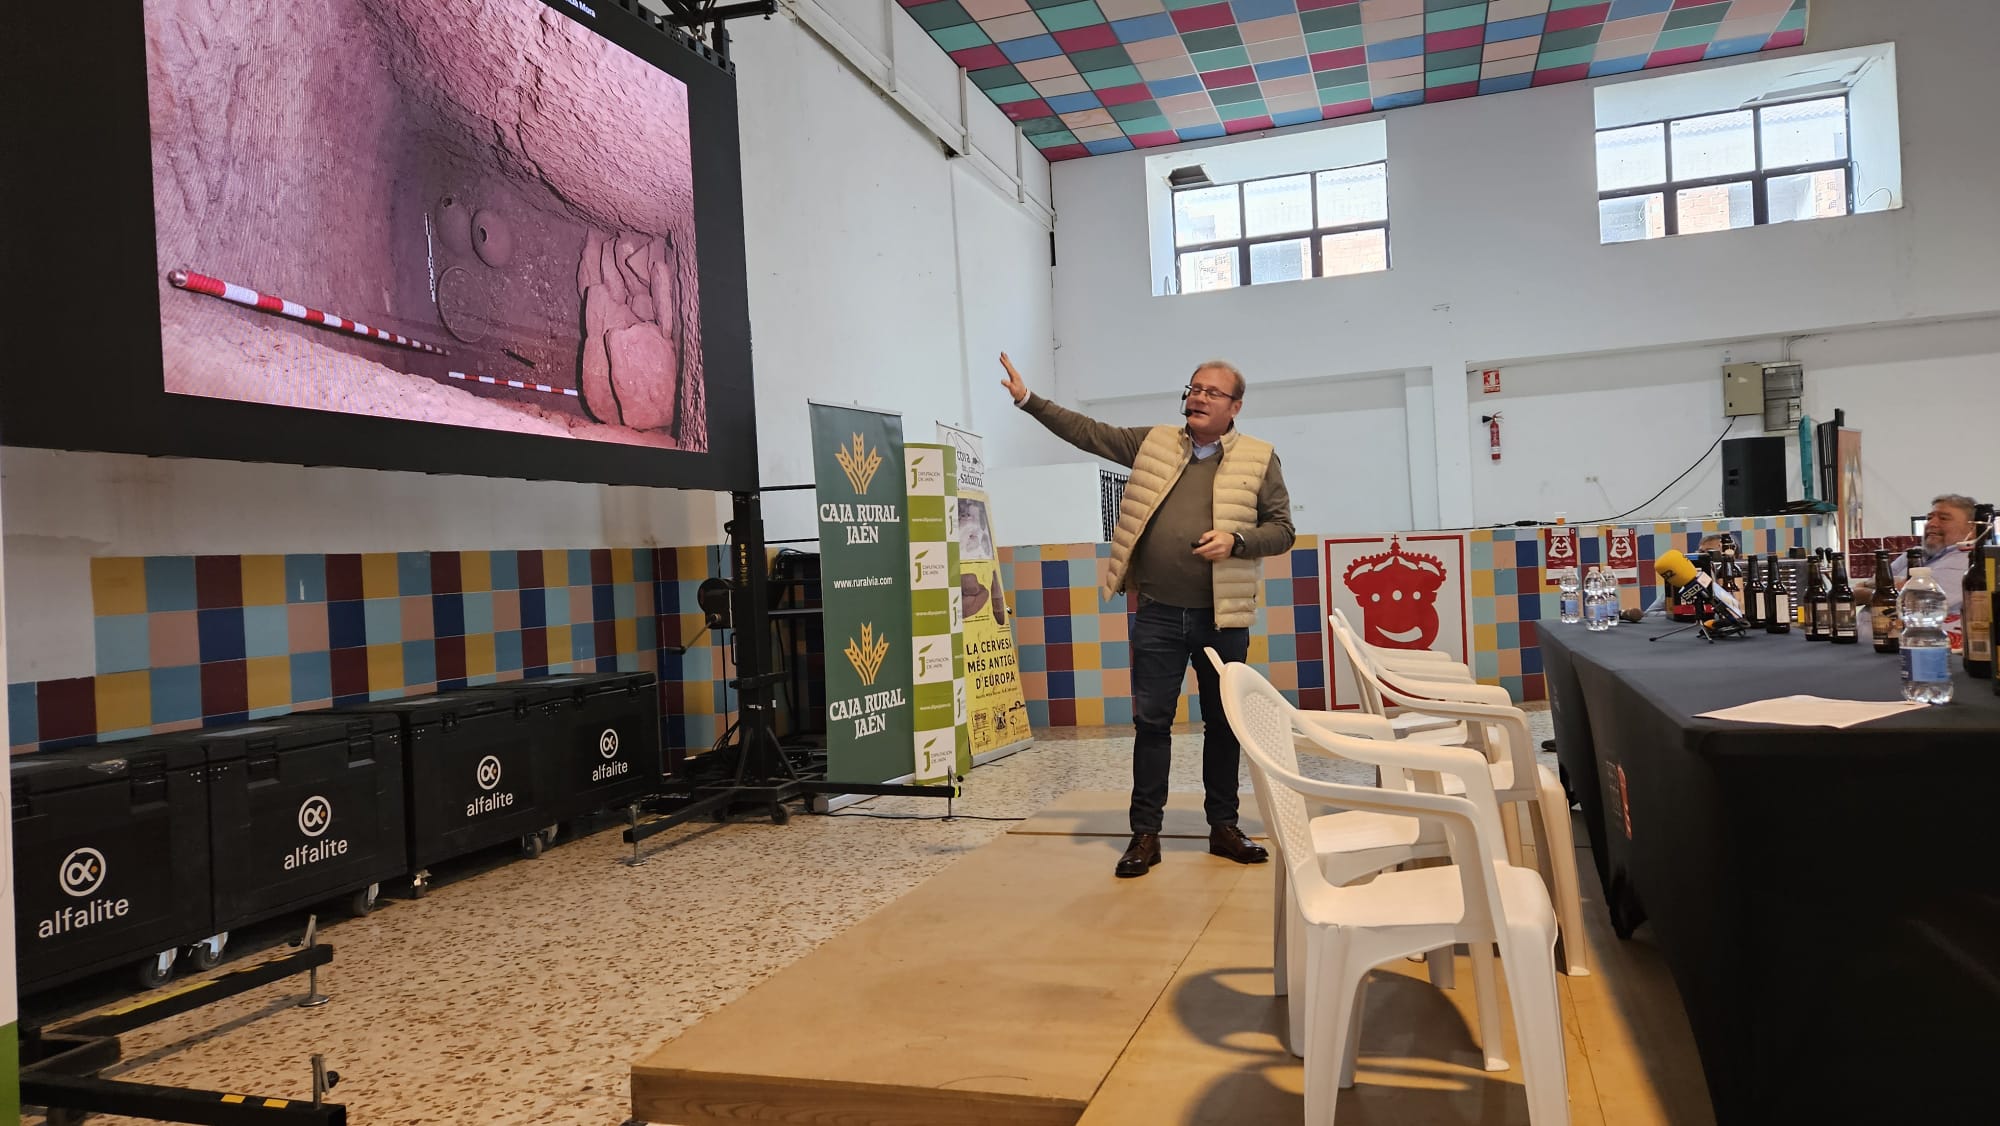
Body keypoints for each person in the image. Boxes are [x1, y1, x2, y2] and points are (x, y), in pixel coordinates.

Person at [999, 353, 1295, 879]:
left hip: (1221, 619)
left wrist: (1238, 540)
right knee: (1151, 724)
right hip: (1157, 613)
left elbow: (1282, 529)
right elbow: (1089, 433)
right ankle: (1145, 834)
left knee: (1224, 725)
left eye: (1212, 392)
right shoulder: (1154, 443)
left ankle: (1223, 827)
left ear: (1236, 407)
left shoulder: (1258, 457)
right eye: (1194, 388)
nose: (1198, 398)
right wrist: (1028, 401)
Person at [1854, 493, 1977, 621]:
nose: (1931, 523)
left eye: (1944, 518)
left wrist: (1870, 592)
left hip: (1918, 639)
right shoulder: (1914, 554)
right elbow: (1869, 586)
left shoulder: (1967, 560)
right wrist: (1883, 588)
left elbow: (1913, 603)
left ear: (1972, 529)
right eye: (1929, 518)